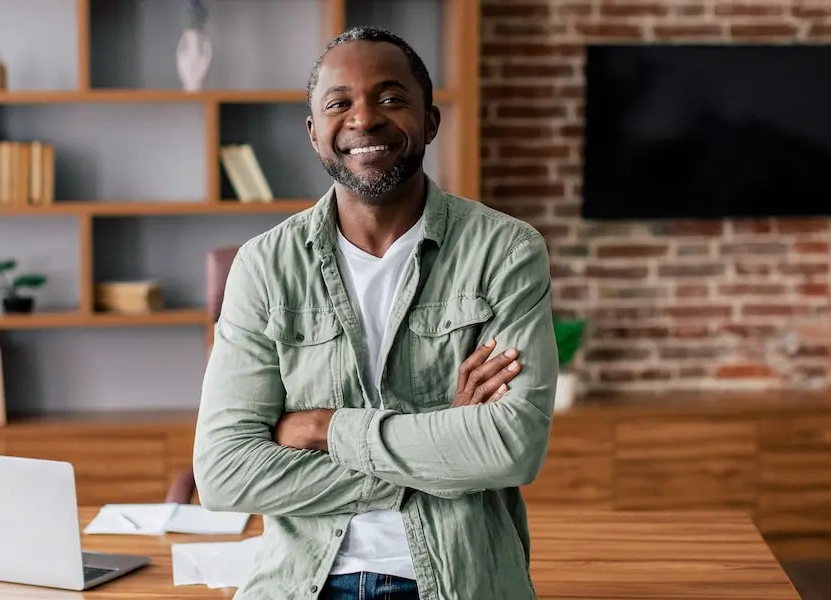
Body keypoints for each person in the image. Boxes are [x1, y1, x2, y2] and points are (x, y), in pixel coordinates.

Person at [193, 25, 558, 600]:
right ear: (314, 134)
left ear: (430, 122)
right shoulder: (263, 266)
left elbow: (509, 447)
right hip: (303, 583)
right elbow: (224, 472)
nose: (364, 119)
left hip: (461, 580)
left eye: (391, 98)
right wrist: (441, 447)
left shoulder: (504, 251)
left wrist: (321, 428)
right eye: (339, 103)